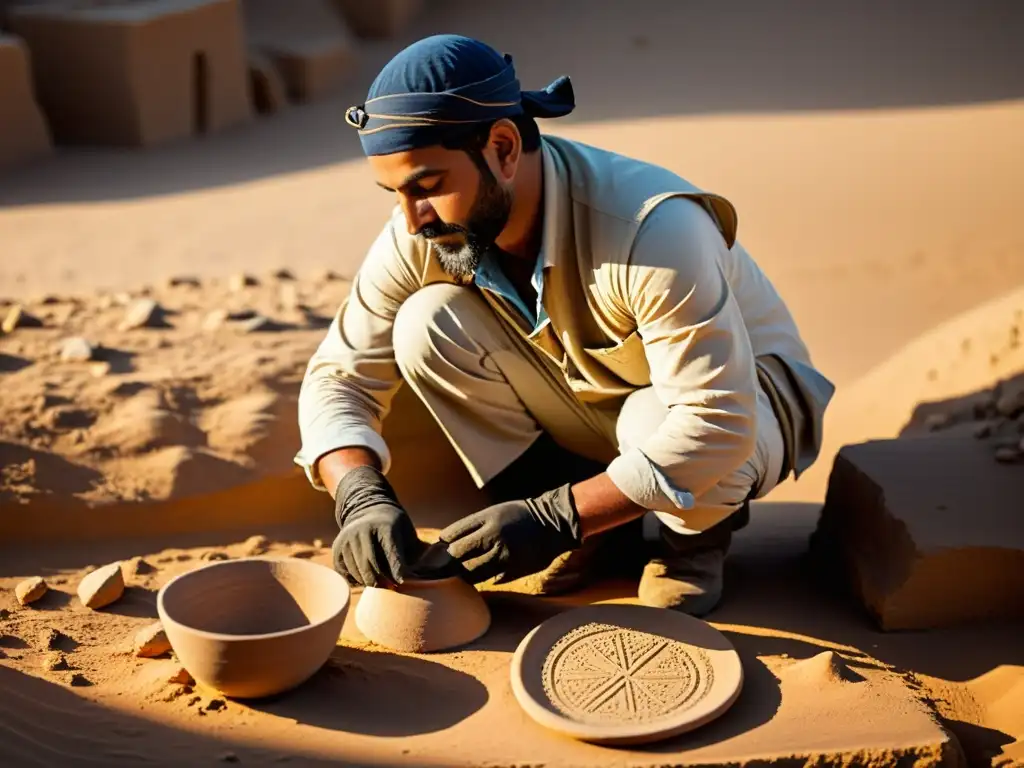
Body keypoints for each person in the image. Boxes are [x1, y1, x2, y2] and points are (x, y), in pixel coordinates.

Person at [295, 34, 834, 616]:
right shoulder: (424, 230)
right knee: (426, 324)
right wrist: (357, 491)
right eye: (394, 193)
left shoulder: (652, 229)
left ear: (502, 147)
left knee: (656, 418)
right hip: (600, 400)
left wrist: (558, 518)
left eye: (427, 187)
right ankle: (607, 529)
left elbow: (719, 422)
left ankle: (693, 544)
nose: (411, 219)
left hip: (748, 408)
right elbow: (339, 375)